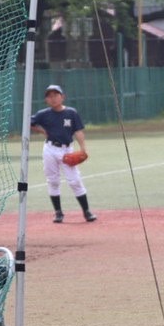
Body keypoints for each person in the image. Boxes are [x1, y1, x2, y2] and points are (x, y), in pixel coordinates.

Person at [30, 84, 96, 223]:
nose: (53, 98)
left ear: (62, 97)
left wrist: (83, 148)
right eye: (50, 96)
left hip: (67, 150)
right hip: (50, 149)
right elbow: (30, 122)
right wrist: (42, 131)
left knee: (74, 180)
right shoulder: (43, 114)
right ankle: (58, 213)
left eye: (56, 95)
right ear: (46, 100)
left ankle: (86, 211)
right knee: (52, 180)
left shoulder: (71, 113)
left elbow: (78, 131)